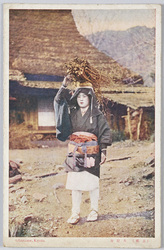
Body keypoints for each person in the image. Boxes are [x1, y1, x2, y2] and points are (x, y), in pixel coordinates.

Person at [54, 75, 112, 224]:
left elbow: (104, 132)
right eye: (78, 97)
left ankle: (94, 210)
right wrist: (64, 86)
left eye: (84, 97)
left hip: (92, 152)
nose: (81, 99)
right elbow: (59, 102)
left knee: (92, 182)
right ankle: (75, 212)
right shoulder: (72, 113)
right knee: (75, 183)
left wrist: (103, 151)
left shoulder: (97, 115)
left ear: (90, 98)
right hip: (75, 152)